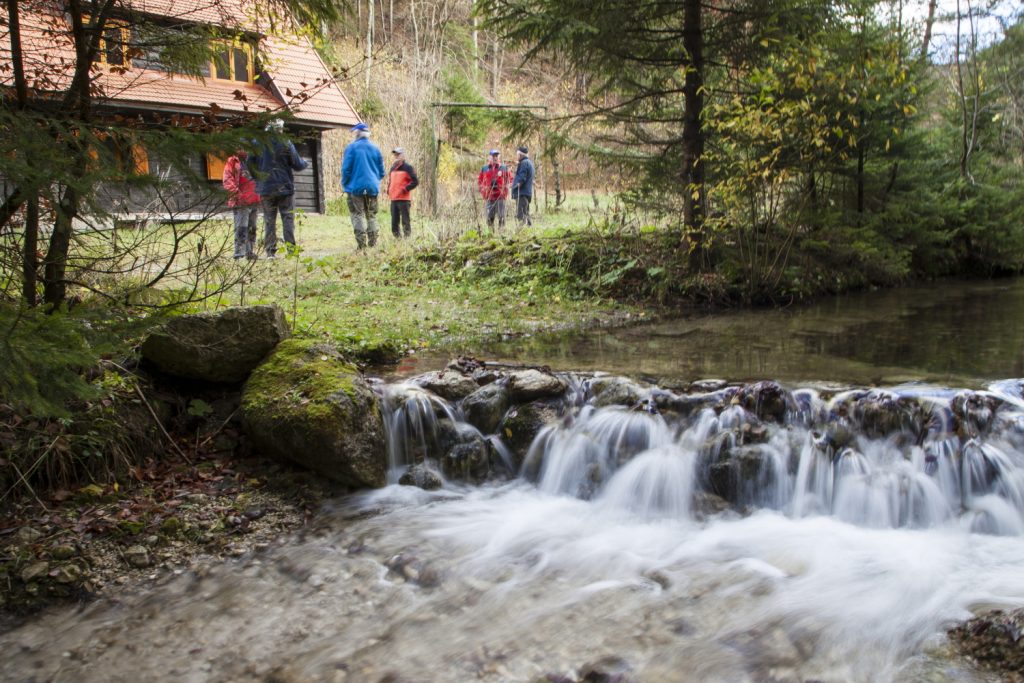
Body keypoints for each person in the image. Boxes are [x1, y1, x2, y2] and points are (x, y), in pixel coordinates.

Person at [249, 119, 308, 259]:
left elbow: (250, 163)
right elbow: (298, 164)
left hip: (265, 188)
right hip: (285, 187)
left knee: (269, 220)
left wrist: (258, 178)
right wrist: (305, 163)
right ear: (279, 129)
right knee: (288, 218)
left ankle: (270, 252)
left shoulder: (257, 144)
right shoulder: (286, 143)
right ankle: (291, 251)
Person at [341, 122, 385, 249]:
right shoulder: (376, 149)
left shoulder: (352, 148)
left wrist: (345, 184)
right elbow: (382, 172)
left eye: (355, 132)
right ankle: (373, 243)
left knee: (357, 214)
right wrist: (373, 180)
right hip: (372, 188)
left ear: (358, 133)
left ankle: (361, 245)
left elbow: (346, 170)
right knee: (371, 215)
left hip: (356, 188)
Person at [222, 149, 260, 260]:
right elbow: (227, 179)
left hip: (255, 199)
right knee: (241, 229)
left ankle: (250, 252)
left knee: (252, 228)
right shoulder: (232, 162)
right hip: (241, 202)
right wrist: (237, 195)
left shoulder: (255, 160)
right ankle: (238, 253)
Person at [386, 147, 419, 239]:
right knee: (394, 223)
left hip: (404, 200)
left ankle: (407, 240)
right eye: (395, 155)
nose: (396, 156)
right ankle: (398, 240)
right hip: (394, 198)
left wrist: (405, 189)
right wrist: (388, 189)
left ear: (403, 156)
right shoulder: (392, 168)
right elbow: (390, 181)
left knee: (405, 221)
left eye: (398, 154)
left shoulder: (408, 168)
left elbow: (415, 181)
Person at [477, 149, 512, 231]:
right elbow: (480, 182)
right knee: (489, 217)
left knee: (501, 216)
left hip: (500, 196)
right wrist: (483, 191)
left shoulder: (503, 167)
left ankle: (501, 233)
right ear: (489, 157)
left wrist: (507, 187)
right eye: (493, 156)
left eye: (496, 156)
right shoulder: (485, 168)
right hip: (489, 196)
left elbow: (510, 179)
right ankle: (490, 233)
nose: (495, 158)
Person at [511, 145, 535, 227]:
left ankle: (522, 233)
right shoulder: (529, 163)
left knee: (521, 215)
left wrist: (515, 186)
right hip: (527, 193)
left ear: (520, 155)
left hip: (522, 193)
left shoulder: (524, 163)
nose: (516, 156)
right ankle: (530, 231)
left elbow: (522, 178)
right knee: (526, 213)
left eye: (517, 154)